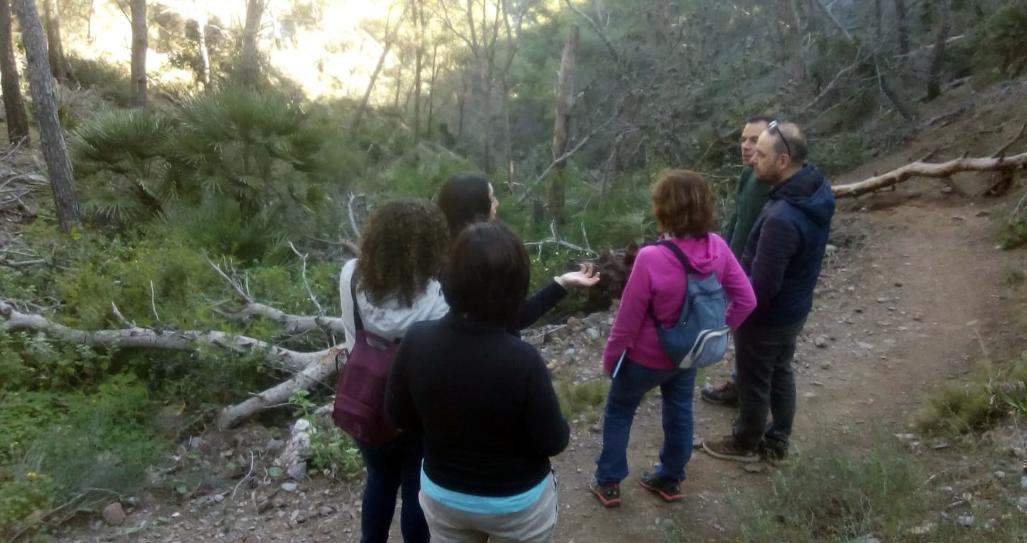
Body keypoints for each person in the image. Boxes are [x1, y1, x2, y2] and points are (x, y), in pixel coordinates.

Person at [386, 222, 570, 543]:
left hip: (444, 494)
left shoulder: (417, 340)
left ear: (452, 276)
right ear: (516, 285)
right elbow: (553, 441)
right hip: (516, 503)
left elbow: (399, 416)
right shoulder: (522, 359)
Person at [589, 170, 756, 508]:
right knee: (680, 411)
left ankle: (608, 482)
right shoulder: (718, 248)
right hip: (687, 355)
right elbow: (747, 300)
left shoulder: (652, 257)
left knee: (619, 410)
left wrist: (611, 360)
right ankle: (670, 478)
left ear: (664, 208)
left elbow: (627, 321)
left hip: (644, 359)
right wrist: (720, 332)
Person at [703, 121, 836, 463]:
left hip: (768, 317)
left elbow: (762, 287)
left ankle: (745, 441)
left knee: (754, 379)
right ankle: (778, 441)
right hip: (794, 307)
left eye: (761, 154)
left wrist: (734, 318)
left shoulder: (782, 216)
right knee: (780, 370)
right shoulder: (815, 188)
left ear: (782, 162)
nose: (752, 160)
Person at [338, 199, 451, 543]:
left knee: (379, 479)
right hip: (418, 409)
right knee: (417, 488)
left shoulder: (352, 275)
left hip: (365, 397)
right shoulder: (438, 299)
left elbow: (350, 333)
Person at [436, 173, 600, 327]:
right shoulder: (486, 260)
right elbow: (515, 318)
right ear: (476, 209)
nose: (497, 203)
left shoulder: (439, 256)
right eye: (492, 198)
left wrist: (563, 282)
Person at [701, 115, 772, 407]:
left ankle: (748, 395)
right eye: (743, 138)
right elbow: (738, 220)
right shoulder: (748, 174)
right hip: (735, 265)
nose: (745, 145)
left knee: (753, 336)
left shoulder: (770, 183)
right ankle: (741, 383)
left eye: (754, 140)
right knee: (744, 334)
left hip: (755, 270)